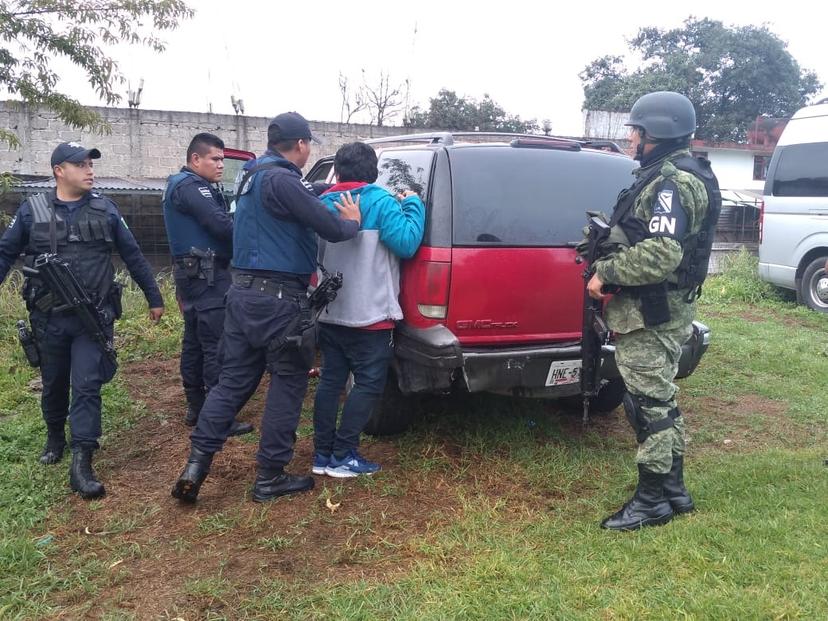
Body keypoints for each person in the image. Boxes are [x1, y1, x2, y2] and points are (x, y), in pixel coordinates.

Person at [171, 112, 361, 504]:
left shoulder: (251, 176)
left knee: (233, 382)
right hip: (278, 303)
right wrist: (351, 222)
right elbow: (328, 227)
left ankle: (196, 464)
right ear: (302, 145)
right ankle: (270, 476)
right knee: (288, 382)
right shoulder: (284, 179)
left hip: (240, 295)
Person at [586, 91, 721, 531]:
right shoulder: (681, 173)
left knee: (649, 405)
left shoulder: (671, 183)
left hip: (650, 312)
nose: (631, 140)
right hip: (665, 308)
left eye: (636, 132)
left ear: (656, 134)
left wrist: (605, 271)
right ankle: (674, 491)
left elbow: (662, 254)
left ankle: (650, 502)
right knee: (660, 399)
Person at [0, 142, 164, 499]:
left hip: (94, 318)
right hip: (48, 319)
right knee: (54, 382)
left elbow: (133, 254)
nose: (90, 170)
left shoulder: (106, 209)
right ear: (60, 170)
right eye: (81, 165)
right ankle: (55, 436)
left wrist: (155, 297)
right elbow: (5, 252)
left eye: (91, 164)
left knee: (87, 384)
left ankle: (82, 459)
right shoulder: (31, 211)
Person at [311, 142, 425, 477]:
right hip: (370, 314)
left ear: (338, 171)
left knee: (331, 381)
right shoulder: (380, 202)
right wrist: (415, 204)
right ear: (372, 172)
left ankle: (322, 455)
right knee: (368, 384)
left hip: (330, 313)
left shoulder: (320, 204)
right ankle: (344, 455)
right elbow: (406, 243)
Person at [162, 132, 252, 437]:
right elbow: (220, 224)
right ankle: (217, 416)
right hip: (206, 276)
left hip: (194, 275)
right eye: (215, 159)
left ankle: (198, 407)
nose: (220, 165)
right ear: (195, 159)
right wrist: (252, 232)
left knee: (196, 341)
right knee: (215, 344)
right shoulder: (190, 186)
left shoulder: (185, 185)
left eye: (223, 160)